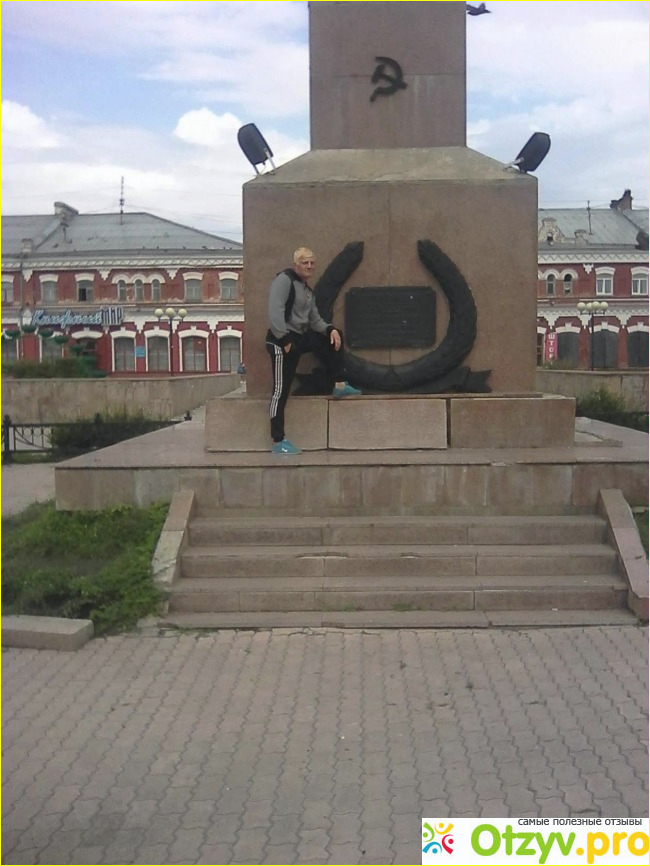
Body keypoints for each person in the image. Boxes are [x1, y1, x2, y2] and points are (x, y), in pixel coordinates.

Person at [266, 247, 360, 454]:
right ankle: (278, 441)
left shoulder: (307, 290)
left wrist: (330, 329)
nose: (309, 266)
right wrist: (284, 339)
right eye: (305, 262)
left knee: (333, 337)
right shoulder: (284, 280)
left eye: (312, 263)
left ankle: (339, 384)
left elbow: (315, 320)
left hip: (299, 337)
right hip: (282, 341)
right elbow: (275, 311)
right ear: (296, 264)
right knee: (280, 390)